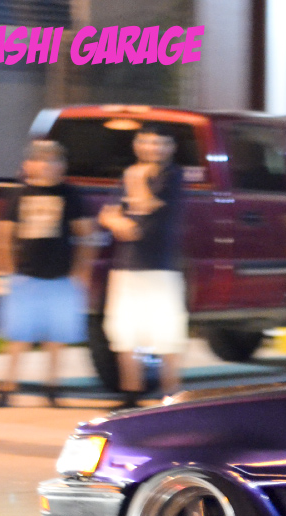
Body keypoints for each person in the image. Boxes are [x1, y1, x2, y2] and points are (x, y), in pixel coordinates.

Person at [0, 140, 95, 407]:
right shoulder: (19, 195)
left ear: (63, 166)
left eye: (53, 160)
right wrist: (8, 272)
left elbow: (86, 234)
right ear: (28, 165)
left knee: (57, 337)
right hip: (25, 278)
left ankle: (52, 387)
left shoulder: (70, 195)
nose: (47, 165)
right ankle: (7, 387)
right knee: (18, 336)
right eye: (40, 160)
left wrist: (80, 271)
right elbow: (2, 235)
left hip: (61, 277)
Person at [98, 125, 186, 408]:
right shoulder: (130, 174)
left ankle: (172, 397)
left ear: (171, 147)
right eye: (147, 142)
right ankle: (130, 397)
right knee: (124, 333)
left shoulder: (172, 175)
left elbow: (147, 204)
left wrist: (136, 179)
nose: (153, 148)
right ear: (137, 145)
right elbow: (107, 214)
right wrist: (120, 222)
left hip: (162, 268)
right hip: (126, 268)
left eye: (161, 143)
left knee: (167, 336)